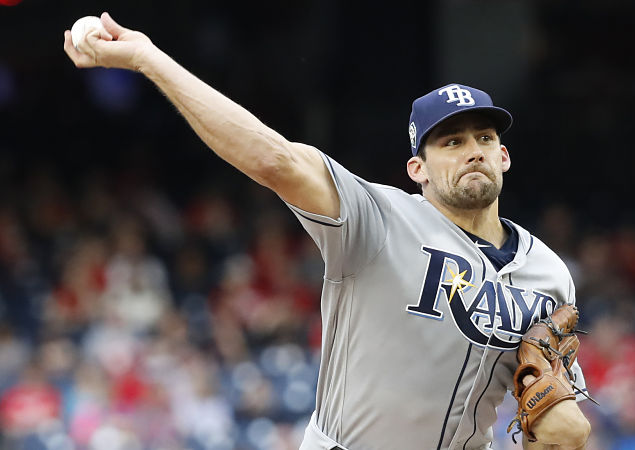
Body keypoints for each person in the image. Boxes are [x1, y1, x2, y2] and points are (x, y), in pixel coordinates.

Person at [63, 12, 592, 450]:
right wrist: (148, 58)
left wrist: (557, 432)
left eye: (483, 136)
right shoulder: (376, 218)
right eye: (450, 142)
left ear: (503, 155)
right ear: (418, 169)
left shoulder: (548, 274)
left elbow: (552, 425)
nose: (472, 148)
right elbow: (274, 158)